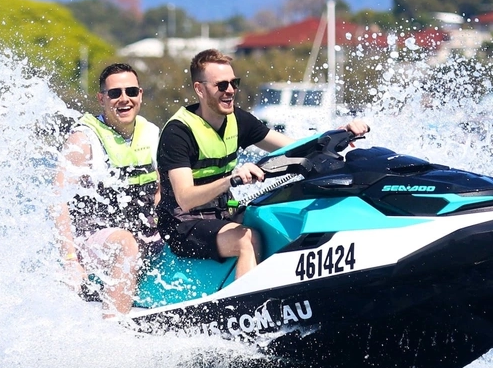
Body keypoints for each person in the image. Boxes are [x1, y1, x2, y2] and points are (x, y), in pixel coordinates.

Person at [156, 49, 367, 279]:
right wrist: (230, 179)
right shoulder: (178, 132)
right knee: (247, 239)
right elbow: (185, 199)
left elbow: (294, 148)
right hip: (182, 226)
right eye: (221, 85)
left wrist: (337, 135)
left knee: (274, 216)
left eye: (233, 83)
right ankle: (242, 310)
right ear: (199, 88)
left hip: (222, 215)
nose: (230, 91)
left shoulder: (238, 120)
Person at [53, 63, 160, 316]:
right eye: (115, 93)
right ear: (102, 98)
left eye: (131, 91)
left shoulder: (152, 133)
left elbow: (161, 188)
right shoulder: (84, 139)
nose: (124, 99)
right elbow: (58, 201)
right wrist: (70, 261)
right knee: (126, 242)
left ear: (140, 95)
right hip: (93, 241)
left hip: (143, 232)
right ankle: (112, 329)